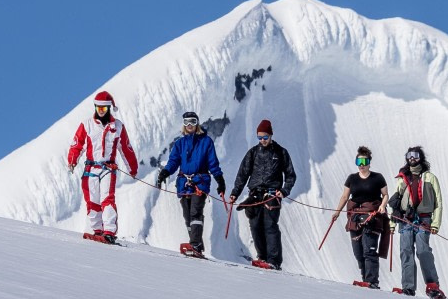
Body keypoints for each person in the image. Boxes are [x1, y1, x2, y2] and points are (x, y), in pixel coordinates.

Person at [67, 91, 138, 243]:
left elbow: (126, 148)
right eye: (98, 108)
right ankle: (96, 229)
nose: (100, 111)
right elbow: (77, 143)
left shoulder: (117, 126)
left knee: (107, 198)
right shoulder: (87, 125)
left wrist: (132, 168)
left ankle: (109, 231)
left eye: (104, 109)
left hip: (108, 169)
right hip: (90, 168)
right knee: (92, 199)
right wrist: (72, 160)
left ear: (109, 109)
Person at [155, 110, 227, 258]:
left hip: (200, 181)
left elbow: (213, 163)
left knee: (196, 212)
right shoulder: (180, 144)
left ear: (197, 123)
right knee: (187, 216)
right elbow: (173, 162)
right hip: (183, 183)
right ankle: (197, 244)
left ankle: (194, 244)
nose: (189, 125)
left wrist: (220, 180)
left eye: (193, 122)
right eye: (187, 122)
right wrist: (165, 173)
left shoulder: (206, 142)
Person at [229, 119, 296, 270]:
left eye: (265, 137)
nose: (262, 140)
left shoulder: (281, 152)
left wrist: (284, 191)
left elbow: (291, 175)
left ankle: (274, 261)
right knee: (255, 225)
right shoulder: (253, 153)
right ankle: (262, 256)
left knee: (270, 226)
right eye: (259, 137)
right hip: (254, 194)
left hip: (272, 195)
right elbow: (242, 174)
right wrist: (235, 193)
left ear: (270, 135)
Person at [388, 146, 446, 299]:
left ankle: (432, 284)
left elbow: (438, 202)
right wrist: (392, 224)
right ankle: (408, 287)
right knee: (406, 251)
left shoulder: (430, 177)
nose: (412, 158)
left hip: (424, 220)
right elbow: (395, 203)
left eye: (415, 155)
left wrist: (435, 223)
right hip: (405, 220)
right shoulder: (402, 178)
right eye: (409, 155)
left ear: (421, 158)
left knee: (422, 250)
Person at [331, 146, 389, 289]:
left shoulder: (378, 178)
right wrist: (337, 212)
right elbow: (345, 196)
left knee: (369, 250)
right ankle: (365, 278)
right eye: (359, 161)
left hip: (372, 217)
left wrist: (382, 205)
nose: (362, 165)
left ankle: (372, 281)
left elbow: (385, 195)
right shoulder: (352, 178)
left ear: (369, 162)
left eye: (364, 161)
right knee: (358, 253)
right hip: (355, 217)